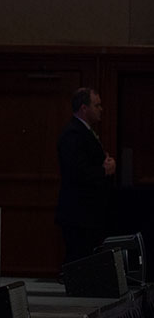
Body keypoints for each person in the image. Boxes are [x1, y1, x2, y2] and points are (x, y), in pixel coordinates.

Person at [56, 87, 116, 265]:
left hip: (89, 212)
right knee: (80, 260)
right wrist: (104, 170)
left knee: (88, 260)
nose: (101, 109)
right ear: (84, 108)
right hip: (79, 212)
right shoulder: (73, 134)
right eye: (97, 105)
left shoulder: (84, 132)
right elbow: (77, 171)